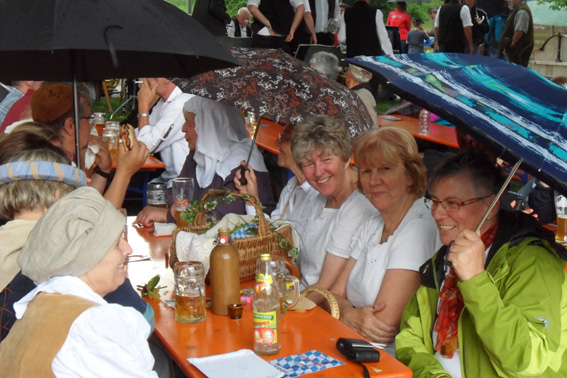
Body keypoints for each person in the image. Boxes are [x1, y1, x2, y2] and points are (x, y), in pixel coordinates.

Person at [396, 150, 567, 377]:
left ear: (491, 205)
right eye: (435, 201)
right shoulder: (447, 256)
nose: (437, 213)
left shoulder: (534, 263)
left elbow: (526, 360)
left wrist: (476, 282)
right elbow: (411, 334)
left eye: (452, 203)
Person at [0, 187, 158, 376]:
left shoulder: (41, 300)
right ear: (88, 256)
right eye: (117, 244)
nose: (128, 249)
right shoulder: (95, 323)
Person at [330, 127, 439, 353]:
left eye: (385, 169)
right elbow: (334, 294)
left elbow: (382, 327)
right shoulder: (374, 222)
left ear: (410, 175)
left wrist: (340, 312)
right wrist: (349, 314)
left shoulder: (419, 226)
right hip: (350, 338)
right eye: (366, 171)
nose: (374, 180)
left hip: (391, 357)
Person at [136, 96, 276, 227]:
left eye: (189, 123)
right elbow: (178, 191)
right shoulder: (199, 154)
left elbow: (221, 220)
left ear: (208, 127)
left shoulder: (243, 165)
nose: (183, 128)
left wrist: (168, 216)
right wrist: (178, 207)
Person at [291, 115, 376, 292]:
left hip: (318, 308)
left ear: (346, 158)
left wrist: (286, 311)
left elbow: (324, 288)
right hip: (299, 295)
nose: (318, 171)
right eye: (308, 163)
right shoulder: (315, 197)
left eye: (327, 160)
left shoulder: (358, 206)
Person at [31, 82, 148, 209]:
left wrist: (103, 171)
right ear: (71, 126)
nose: (91, 125)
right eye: (88, 118)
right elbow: (94, 224)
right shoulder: (54, 171)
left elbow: (87, 205)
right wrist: (124, 173)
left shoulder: (44, 154)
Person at [234, 123, 315, 227]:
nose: (277, 143)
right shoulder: (291, 185)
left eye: (284, 138)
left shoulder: (316, 194)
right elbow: (273, 230)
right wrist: (251, 198)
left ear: (305, 146)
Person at [136, 78, 192, 187]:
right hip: (168, 177)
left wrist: (143, 105)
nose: (144, 80)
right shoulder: (166, 101)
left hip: (181, 182)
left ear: (167, 79)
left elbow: (145, 145)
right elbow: (143, 131)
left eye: (149, 76)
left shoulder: (179, 105)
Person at [499, 0, 533, 67]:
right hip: (515, 49)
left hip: (518, 50)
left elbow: (520, 30)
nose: (508, 1)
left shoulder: (522, 11)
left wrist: (513, 43)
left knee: (518, 71)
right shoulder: (518, 9)